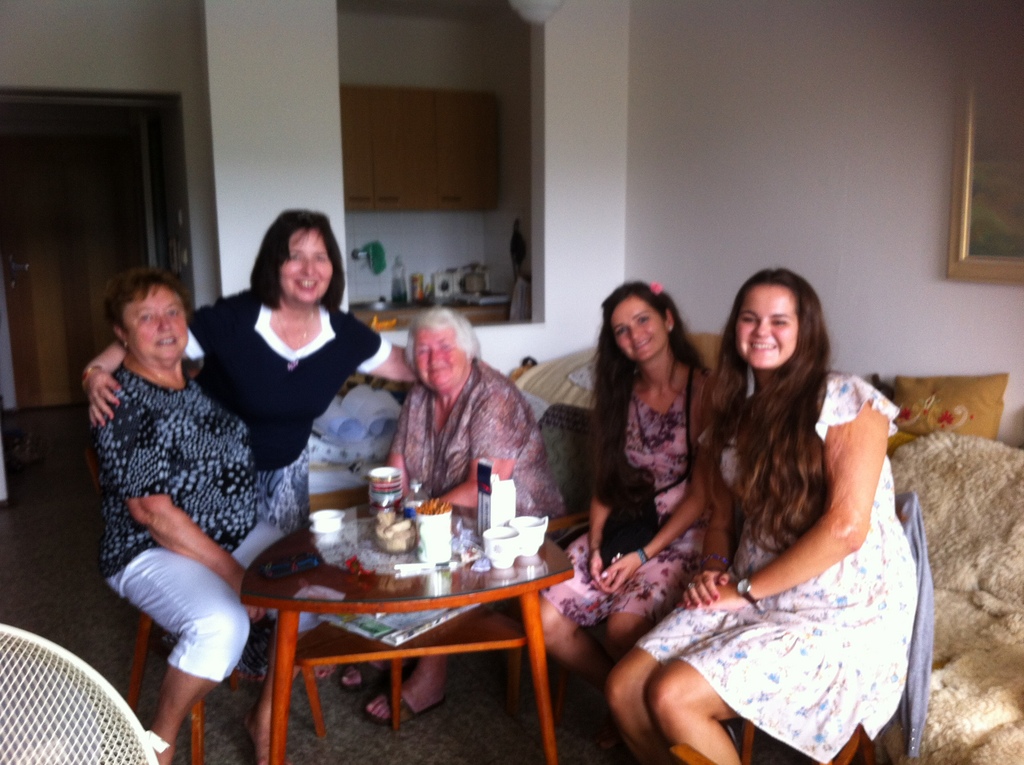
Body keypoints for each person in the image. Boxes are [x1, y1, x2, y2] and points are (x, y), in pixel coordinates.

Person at [84, 210, 414, 682]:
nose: (308, 268)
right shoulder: (235, 318)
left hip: (284, 471)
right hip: (202, 477)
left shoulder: (343, 333)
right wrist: (95, 371)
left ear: (333, 268)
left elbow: (405, 364)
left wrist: (465, 370)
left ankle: (267, 678)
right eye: (294, 256)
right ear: (273, 264)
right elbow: (152, 338)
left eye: (320, 256)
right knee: (236, 590)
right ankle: (223, 643)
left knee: (297, 585)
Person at [607, 268, 917, 765]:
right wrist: (713, 569)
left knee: (671, 694)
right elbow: (721, 521)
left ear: (805, 330)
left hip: (841, 613)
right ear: (735, 329)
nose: (761, 331)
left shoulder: (847, 400)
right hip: (753, 591)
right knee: (623, 688)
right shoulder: (735, 415)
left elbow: (846, 529)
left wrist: (747, 589)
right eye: (749, 319)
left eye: (779, 320)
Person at [92, 268, 283, 765]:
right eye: (146, 317)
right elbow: (152, 514)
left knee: (308, 587)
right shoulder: (120, 401)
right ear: (122, 333)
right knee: (222, 624)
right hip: (149, 548)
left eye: (172, 312)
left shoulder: (199, 383)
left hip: (233, 532)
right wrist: (237, 575)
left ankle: (265, 715)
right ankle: (159, 739)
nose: (164, 325)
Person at [362, 306, 566, 725]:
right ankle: (395, 641)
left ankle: (430, 675)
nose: (433, 359)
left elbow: (481, 488)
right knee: (389, 543)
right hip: (448, 517)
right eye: (422, 350)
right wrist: (391, 513)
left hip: (512, 530)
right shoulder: (420, 394)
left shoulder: (493, 396)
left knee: (437, 553)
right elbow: (396, 466)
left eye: (444, 346)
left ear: (468, 350)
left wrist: (416, 517)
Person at [538, 281, 711, 748]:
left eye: (642, 320)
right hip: (622, 527)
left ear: (667, 320)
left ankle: (635, 709)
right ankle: (623, 703)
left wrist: (642, 555)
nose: (635, 335)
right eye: (621, 330)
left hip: (681, 533)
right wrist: (595, 544)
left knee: (623, 628)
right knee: (545, 617)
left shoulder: (704, 388)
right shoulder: (619, 394)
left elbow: (702, 495)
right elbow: (606, 484)